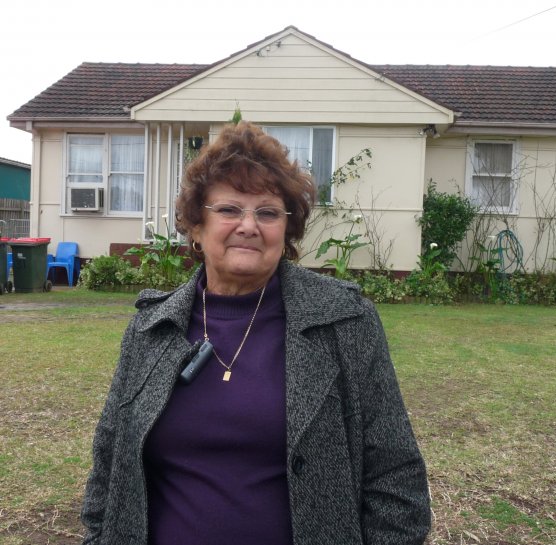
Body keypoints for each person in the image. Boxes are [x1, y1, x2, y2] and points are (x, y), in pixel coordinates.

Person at [80, 121, 431, 545]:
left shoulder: (344, 321)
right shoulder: (151, 328)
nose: (249, 225)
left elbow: (395, 475)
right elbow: (109, 460)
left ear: (286, 228)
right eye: (229, 210)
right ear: (195, 226)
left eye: (267, 212)